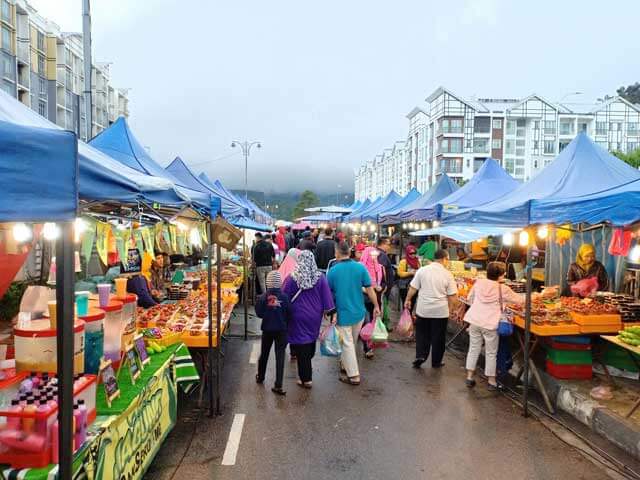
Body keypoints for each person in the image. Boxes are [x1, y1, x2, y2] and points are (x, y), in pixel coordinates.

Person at [463, 262, 524, 391]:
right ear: (501, 275)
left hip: (474, 320)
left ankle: (469, 377)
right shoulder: (503, 289)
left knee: (473, 348)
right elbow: (520, 300)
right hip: (490, 324)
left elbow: (469, 299)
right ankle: (491, 381)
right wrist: (539, 295)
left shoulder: (478, 283)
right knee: (491, 353)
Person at [327, 241, 380, 386]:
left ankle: (354, 375)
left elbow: (327, 294)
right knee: (351, 342)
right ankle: (346, 365)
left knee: (347, 344)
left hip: (343, 313)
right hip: (359, 312)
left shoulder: (333, 271)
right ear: (349, 252)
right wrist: (376, 306)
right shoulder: (360, 268)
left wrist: (327, 312)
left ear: (337, 253)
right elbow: (370, 289)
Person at [283, 251, 335, 388]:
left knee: (302, 344)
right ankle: (306, 368)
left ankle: (306, 378)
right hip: (314, 317)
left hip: (297, 316)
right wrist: (330, 313)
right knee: (310, 340)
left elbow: (284, 298)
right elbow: (327, 298)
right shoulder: (320, 277)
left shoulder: (291, 278)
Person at [404, 249, 458, 369]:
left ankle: (421, 356)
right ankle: (436, 362)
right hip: (440, 312)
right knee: (438, 337)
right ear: (444, 259)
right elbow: (453, 296)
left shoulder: (422, 270)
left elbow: (413, 287)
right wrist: (453, 309)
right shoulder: (447, 274)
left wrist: (408, 299)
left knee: (422, 334)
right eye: (447, 260)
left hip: (423, 310)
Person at [255, 271, 290, 396]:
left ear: (267, 283)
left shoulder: (263, 297)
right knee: (280, 357)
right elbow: (289, 313)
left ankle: (260, 376)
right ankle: (278, 385)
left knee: (264, 354)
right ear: (280, 283)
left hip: (267, 330)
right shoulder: (285, 297)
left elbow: (259, 313)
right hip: (281, 330)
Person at [360, 247, 386, 359]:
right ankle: (367, 347)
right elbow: (355, 283)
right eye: (371, 255)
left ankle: (370, 344)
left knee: (373, 322)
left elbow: (385, 282)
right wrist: (364, 289)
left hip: (376, 299)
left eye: (375, 255)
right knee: (366, 322)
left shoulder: (380, 268)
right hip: (363, 299)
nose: (374, 257)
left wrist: (381, 287)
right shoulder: (360, 268)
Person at [376, 237, 395, 330]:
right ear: (383, 244)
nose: (389, 246)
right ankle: (381, 326)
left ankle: (383, 325)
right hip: (383, 287)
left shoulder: (380, 253)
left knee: (383, 305)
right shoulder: (382, 255)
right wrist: (385, 284)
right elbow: (381, 269)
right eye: (388, 244)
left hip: (382, 286)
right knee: (382, 305)